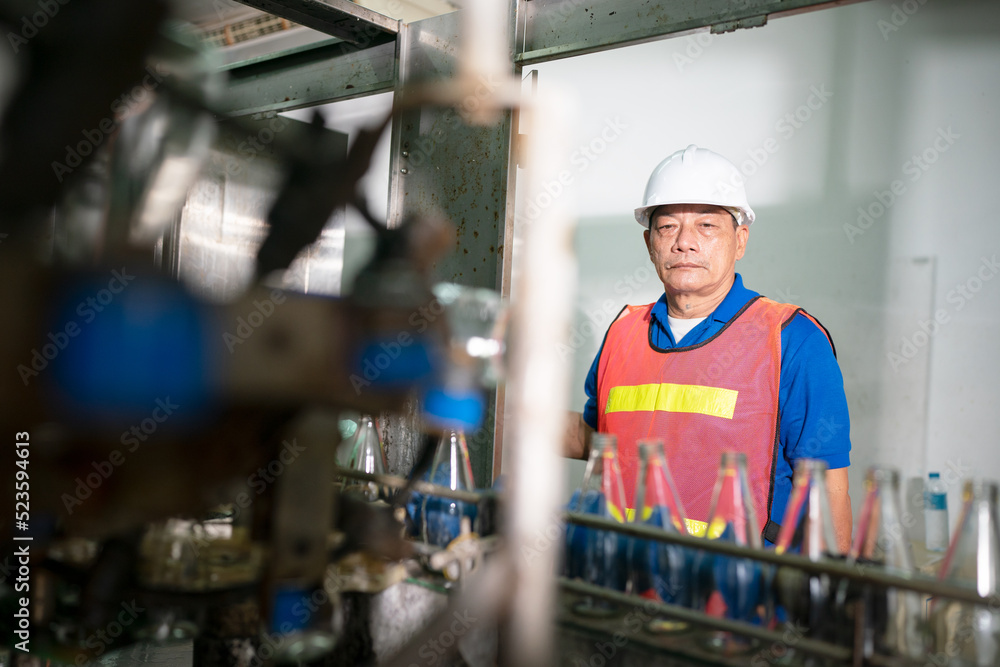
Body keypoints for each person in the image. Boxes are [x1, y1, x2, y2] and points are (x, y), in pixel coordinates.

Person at [564, 145, 852, 551]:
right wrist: (503, 407)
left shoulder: (791, 339)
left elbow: (828, 489)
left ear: (740, 240)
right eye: (668, 227)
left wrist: (833, 588)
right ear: (649, 242)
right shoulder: (623, 331)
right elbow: (598, 437)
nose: (685, 242)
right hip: (620, 577)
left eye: (707, 225)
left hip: (739, 587)